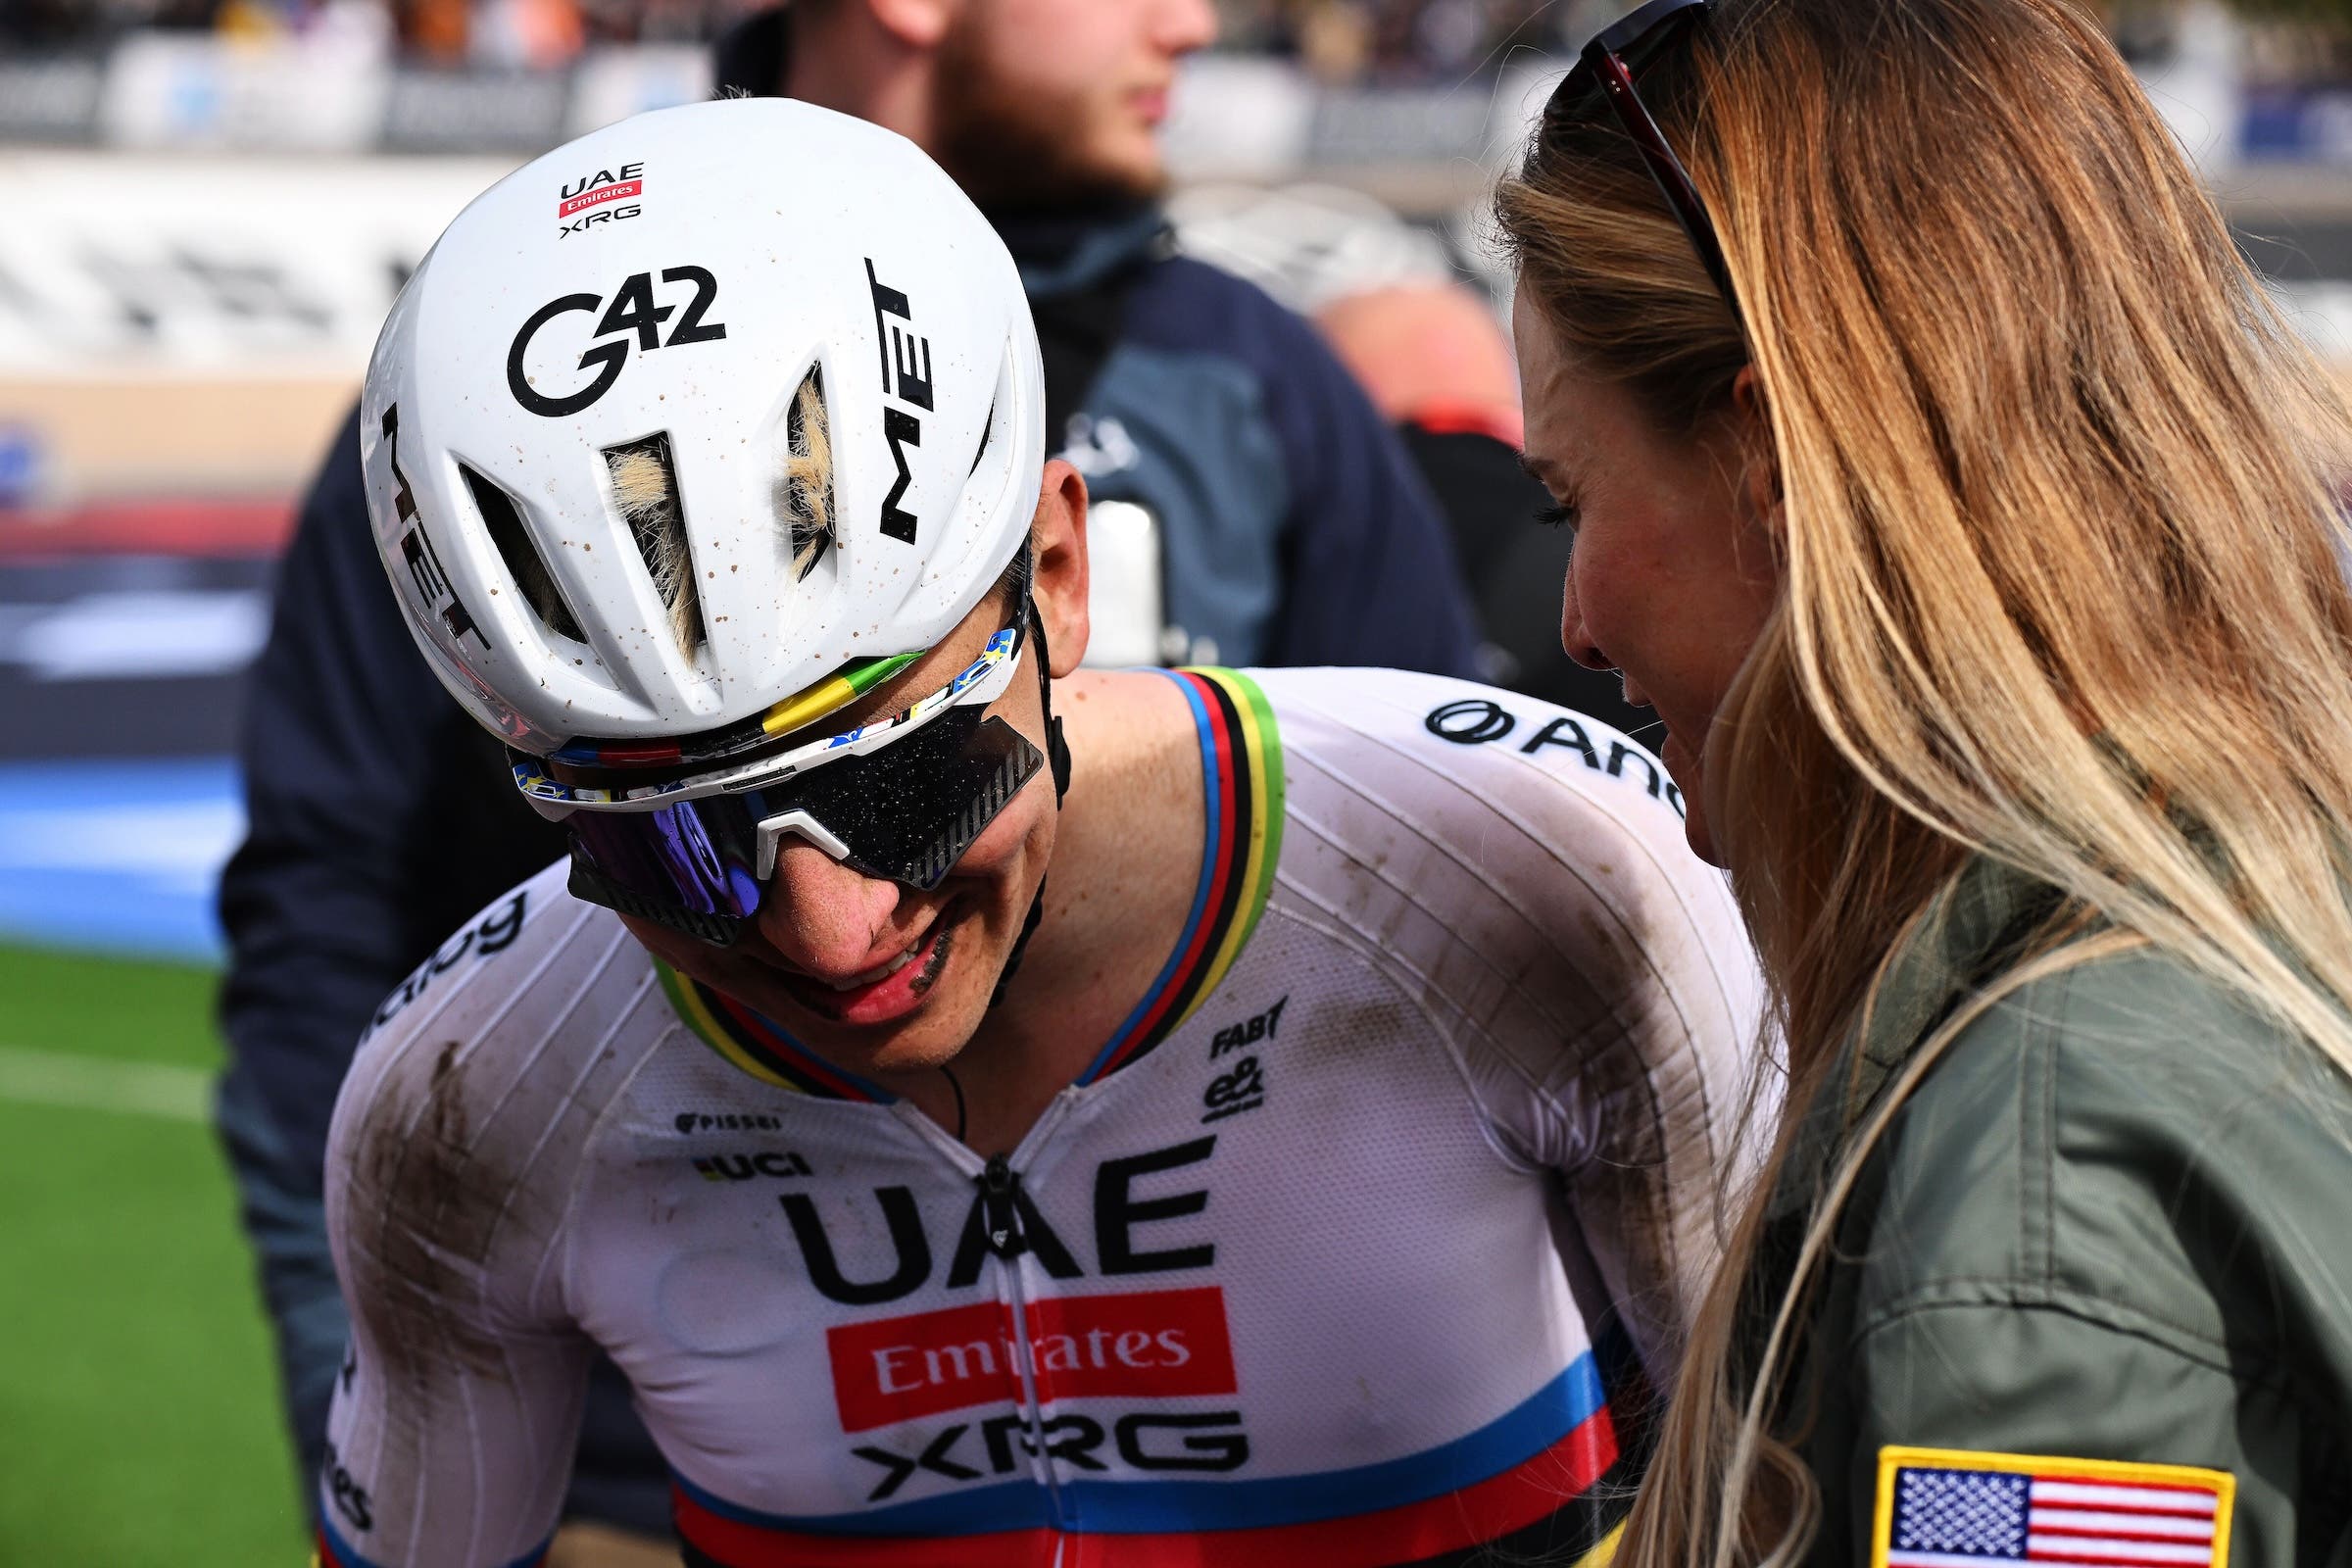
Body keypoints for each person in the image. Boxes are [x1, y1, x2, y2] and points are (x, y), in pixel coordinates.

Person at [311, 97, 1761, 1568]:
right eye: (670, 848)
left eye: (901, 782)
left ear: (1059, 575)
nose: (832, 929)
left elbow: (1823, 1504)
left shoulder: (1543, 879)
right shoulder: (466, 1101)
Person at [1498, 0, 2352, 1563]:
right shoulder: (2261, 886)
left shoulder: (2049, 1165)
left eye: (1571, 502)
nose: (1575, 622)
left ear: (1770, 470)